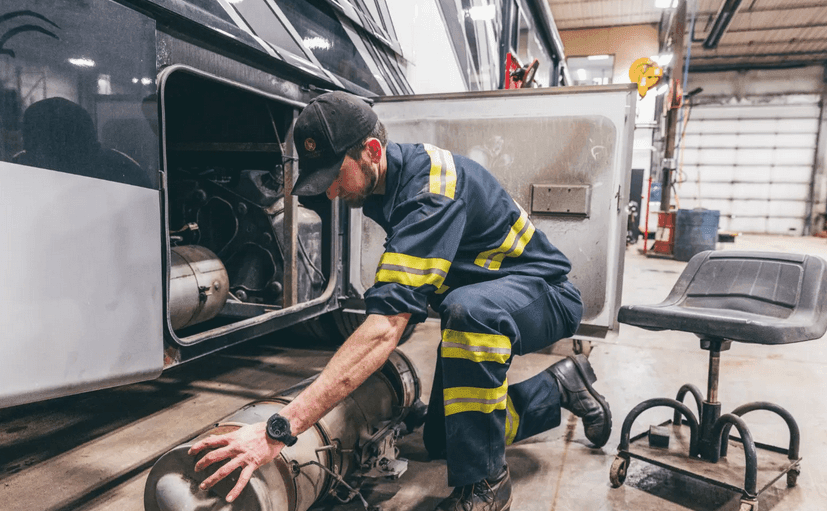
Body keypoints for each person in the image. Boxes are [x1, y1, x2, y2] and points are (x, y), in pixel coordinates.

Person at [188, 91, 612, 511]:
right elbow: (402, 296)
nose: (332, 192)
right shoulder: (386, 186)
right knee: (447, 440)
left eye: (336, 175)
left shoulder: (429, 192)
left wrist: (279, 429)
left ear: (372, 151)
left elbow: (388, 325)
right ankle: (558, 387)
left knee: (469, 313)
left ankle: (488, 485)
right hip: (483, 301)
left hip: (545, 294)